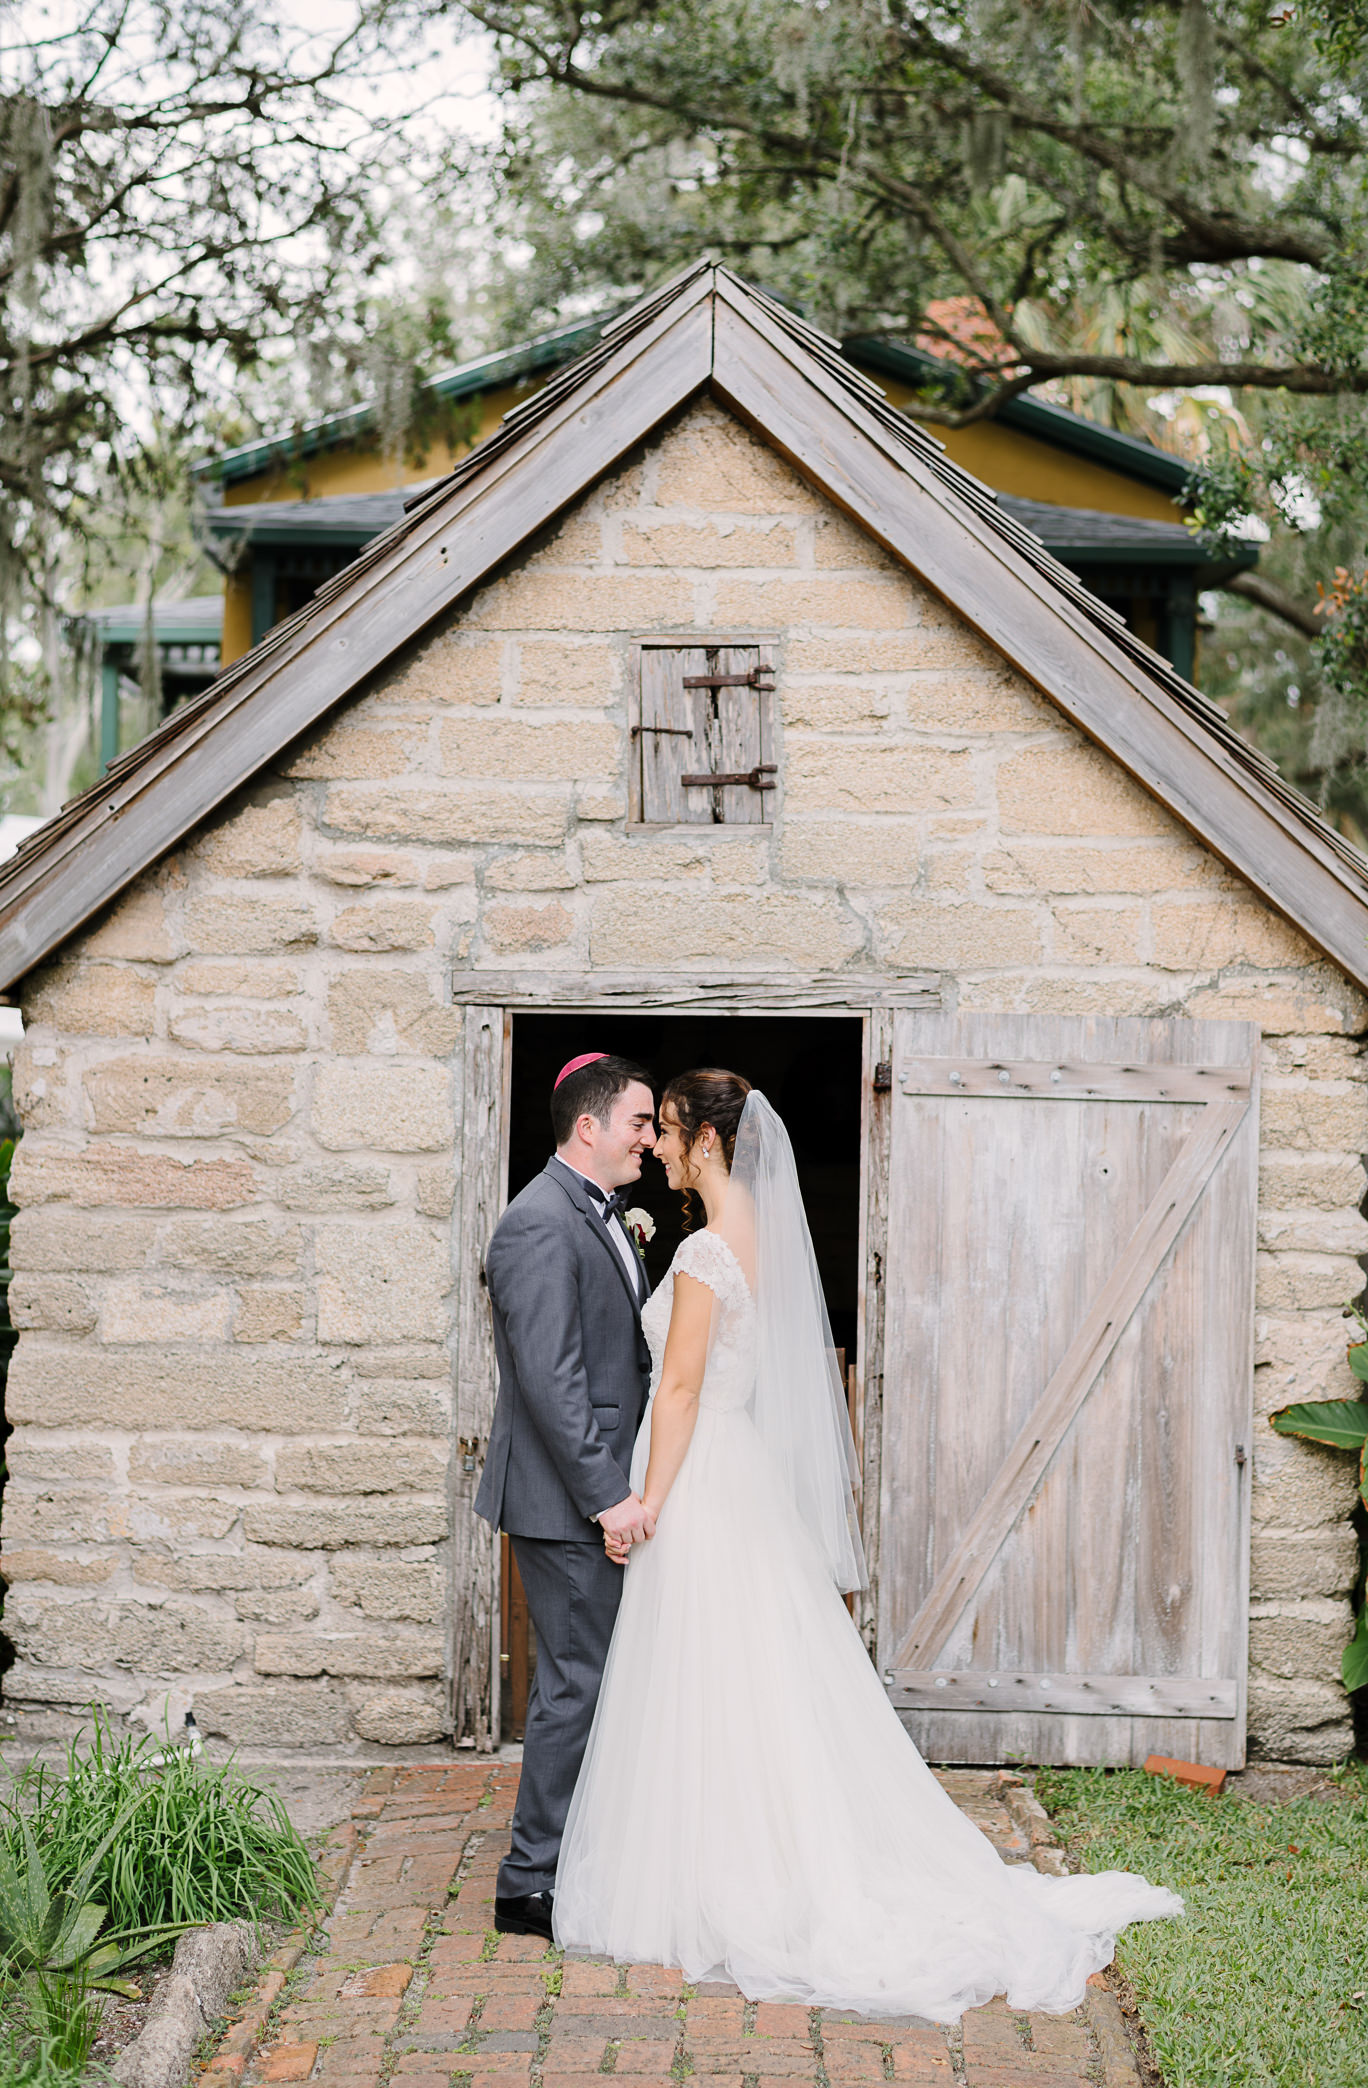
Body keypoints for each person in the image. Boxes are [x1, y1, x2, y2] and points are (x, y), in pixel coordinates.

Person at [554, 1067, 1183, 2021]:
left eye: (672, 1132)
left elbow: (678, 1394)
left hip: (699, 1478)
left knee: (708, 1671)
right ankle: (751, 1847)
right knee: (752, 1675)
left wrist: (644, 1501)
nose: (660, 1147)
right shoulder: (749, 1239)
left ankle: (723, 1871)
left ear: (711, 1143)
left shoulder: (701, 1257)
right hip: (739, 1473)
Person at [476, 1052, 657, 1941]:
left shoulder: (596, 1214)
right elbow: (551, 1381)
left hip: (590, 1490)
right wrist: (608, 1497)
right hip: (566, 1498)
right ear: (588, 1126)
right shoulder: (538, 1223)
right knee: (574, 1683)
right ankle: (529, 1884)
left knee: (587, 1679)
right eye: (640, 1121)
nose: (650, 1139)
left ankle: (571, 1854)